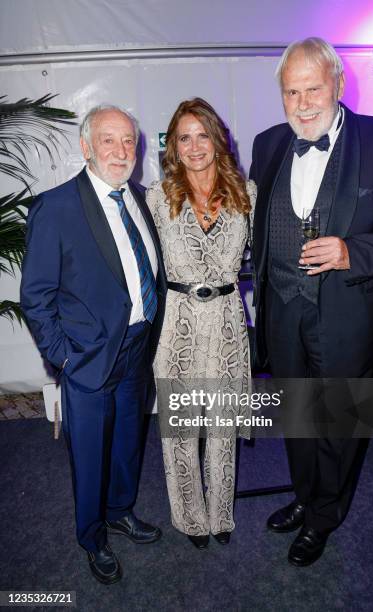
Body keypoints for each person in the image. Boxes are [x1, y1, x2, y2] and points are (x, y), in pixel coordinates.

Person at [250, 38, 373, 566]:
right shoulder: (268, 143)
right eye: (291, 92)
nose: (302, 103)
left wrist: (352, 251)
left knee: (338, 421)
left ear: (338, 83)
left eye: (312, 88)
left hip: (349, 315)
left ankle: (325, 516)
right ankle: (304, 495)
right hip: (284, 314)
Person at [20, 104, 167, 584]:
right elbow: (37, 297)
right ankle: (92, 536)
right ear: (86, 147)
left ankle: (120, 512)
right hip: (85, 360)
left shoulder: (142, 198)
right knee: (89, 454)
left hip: (136, 352)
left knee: (127, 443)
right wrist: (62, 355)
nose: (121, 151)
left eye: (128, 141)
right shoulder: (55, 207)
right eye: (108, 140)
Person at [147, 97, 256, 549]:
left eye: (202, 134)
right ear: (173, 145)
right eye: (184, 137)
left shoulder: (247, 193)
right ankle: (191, 517)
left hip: (229, 323)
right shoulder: (157, 197)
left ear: (218, 138)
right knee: (182, 430)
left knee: (223, 426)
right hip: (178, 325)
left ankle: (221, 514)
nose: (195, 146)